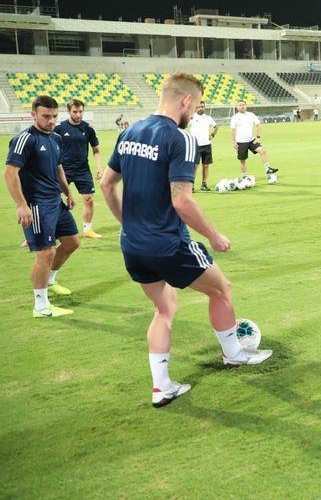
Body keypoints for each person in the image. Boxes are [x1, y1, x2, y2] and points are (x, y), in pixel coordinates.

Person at [100, 73, 272, 409]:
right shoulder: (181, 138)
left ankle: (161, 386)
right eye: (194, 108)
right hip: (167, 244)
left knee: (164, 308)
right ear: (185, 101)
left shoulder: (129, 133)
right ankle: (234, 353)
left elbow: (107, 185)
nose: (192, 115)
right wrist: (214, 235)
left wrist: (128, 224)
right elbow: (182, 201)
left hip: (132, 245)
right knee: (221, 289)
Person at [5, 95, 81, 317]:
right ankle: (40, 306)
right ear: (34, 115)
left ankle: (50, 280)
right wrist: (21, 205)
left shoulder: (56, 138)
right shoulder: (25, 139)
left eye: (55, 116)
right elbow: (10, 173)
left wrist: (68, 192)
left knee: (72, 242)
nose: (51, 121)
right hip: (37, 205)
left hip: (55, 201)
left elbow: (58, 168)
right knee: (46, 253)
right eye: (46, 116)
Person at [54, 99, 104, 239]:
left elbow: (96, 150)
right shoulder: (59, 128)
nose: (78, 114)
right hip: (63, 170)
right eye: (75, 112)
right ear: (68, 111)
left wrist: (99, 168)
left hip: (82, 170)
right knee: (52, 199)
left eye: (80, 111)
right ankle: (48, 229)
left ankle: (87, 229)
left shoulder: (88, 128)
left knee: (88, 199)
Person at [229, 101, 278, 178]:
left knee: (262, 151)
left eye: (243, 105)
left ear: (246, 106)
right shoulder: (235, 117)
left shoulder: (251, 115)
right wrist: (234, 142)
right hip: (241, 142)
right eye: (240, 105)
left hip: (251, 140)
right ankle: (244, 176)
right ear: (237, 107)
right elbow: (232, 130)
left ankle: (268, 169)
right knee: (242, 160)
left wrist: (258, 137)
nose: (242, 106)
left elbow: (258, 125)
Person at [188, 100, 217, 191]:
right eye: (199, 107)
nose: (201, 108)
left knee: (206, 166)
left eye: (202, 107)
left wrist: (212, 135)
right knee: (194, 166)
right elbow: (181, 126)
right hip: (195, 145)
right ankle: (191, 186)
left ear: (204, 108)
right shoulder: (191, 117)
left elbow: (216, 126)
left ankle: (204, 184)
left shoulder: (208, 118)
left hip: (207, 145)